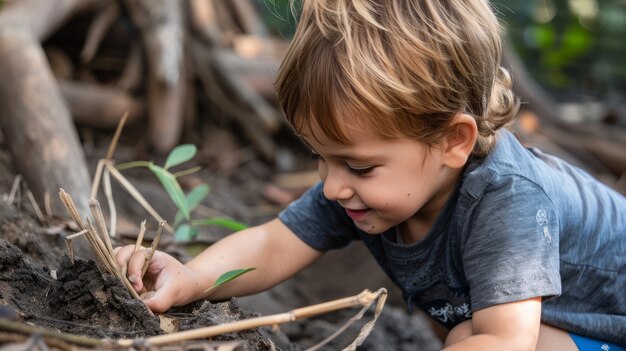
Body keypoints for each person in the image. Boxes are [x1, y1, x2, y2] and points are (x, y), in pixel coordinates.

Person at [115, 0, 626, 349]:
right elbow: (276, 243)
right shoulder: (373, 189)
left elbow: (508, 341)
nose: (333, 185)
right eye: (320, 156)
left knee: (471, 335)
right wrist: (191, 277)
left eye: (358, 165)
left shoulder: (506, 202)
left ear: (454, 141)